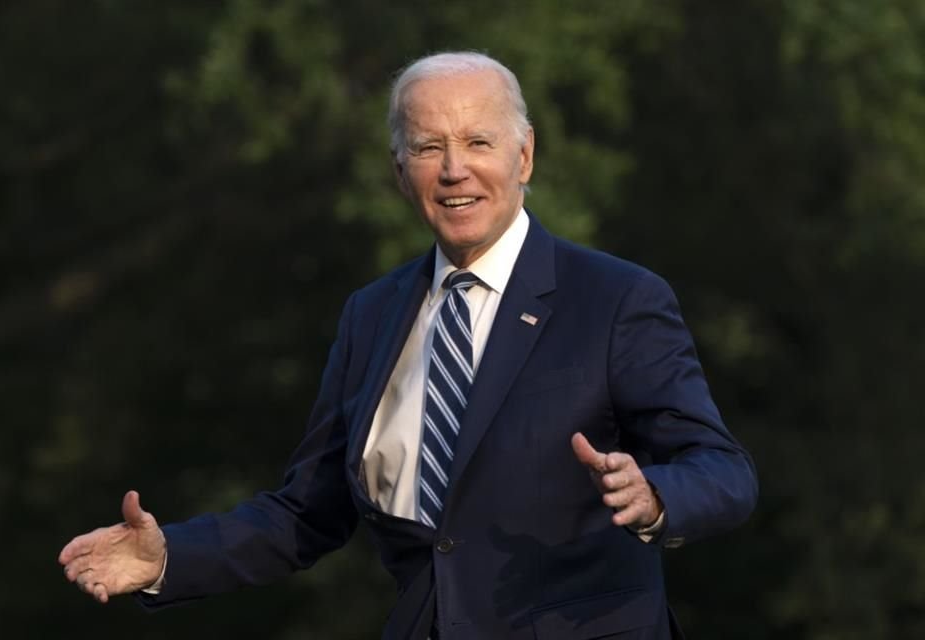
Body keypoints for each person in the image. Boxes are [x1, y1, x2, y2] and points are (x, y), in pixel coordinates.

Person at [59, 51, 757, 639]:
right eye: (429, 148)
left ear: (525, 155)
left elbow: (724, 472)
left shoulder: (615, 300)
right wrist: (167, 559)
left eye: (478, 143)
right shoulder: (373, 314)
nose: (454, 170)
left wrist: (656, 496)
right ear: (400, 172)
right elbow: (308, 511)